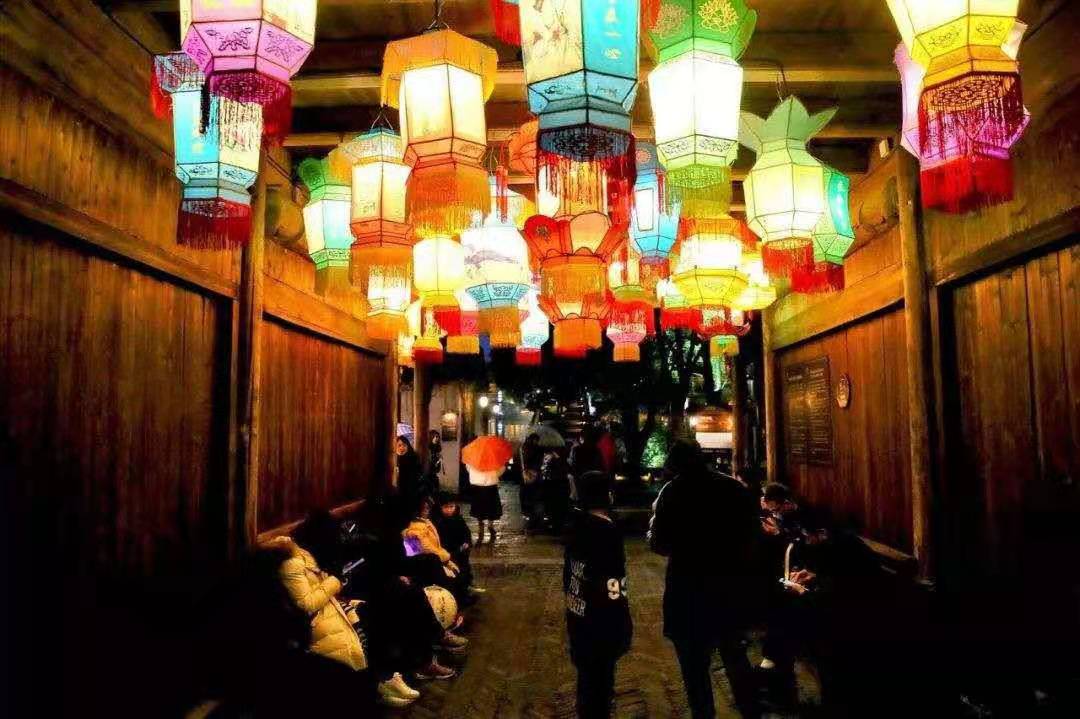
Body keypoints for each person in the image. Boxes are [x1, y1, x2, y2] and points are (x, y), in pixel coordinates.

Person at [648, 440, 762, 719]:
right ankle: (751, 712)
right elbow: (753, 537)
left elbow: (660, 543)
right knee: (735, 657)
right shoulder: (733, 489)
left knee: (694, 667)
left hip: (687, 591)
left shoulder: (671, 492)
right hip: (728, 587)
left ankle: (704, 714)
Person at [564, 470, 633, 718]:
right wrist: (623, 620)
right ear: (607, 495)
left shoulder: (575, 525)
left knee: (586, 681)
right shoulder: (607, 531)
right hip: (602, 620)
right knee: (601, 684)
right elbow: (615, 581)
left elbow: (568, 574)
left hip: (578, 614)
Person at [433, 492, 483, 594]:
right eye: (446, 507)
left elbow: (466, 532)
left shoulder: (458, 518)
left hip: (460, 550)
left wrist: (467, 542)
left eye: (452, 506)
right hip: (447, 552)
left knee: (464, 567)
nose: (449, 510)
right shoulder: (437, 521)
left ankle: (467, 584)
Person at [467, 455, 504, 545]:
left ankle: (481, 529)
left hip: (477, 486)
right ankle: (490, 527)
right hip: (491, 486)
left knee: (479, 509)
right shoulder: (493, 458)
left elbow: (468, 469)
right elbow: (501, 470)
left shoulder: (472, 458)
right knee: (491, 508)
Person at [395, 435, 428, 511]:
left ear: (408, 446)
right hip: (397, 493)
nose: (401, 448)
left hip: (412, 493)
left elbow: (417, 477)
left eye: (404, 445)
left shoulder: (413, 458)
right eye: (399, 445)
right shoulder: (393, 459)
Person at [520, 433, 544, 525]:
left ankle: (529, 514)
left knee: (527, 493)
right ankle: (536, 516)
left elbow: (523, 461)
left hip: (527, 473)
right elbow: (539, 462)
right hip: (535, 473)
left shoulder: (524, 448)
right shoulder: (538, 449)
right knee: (536, 495)